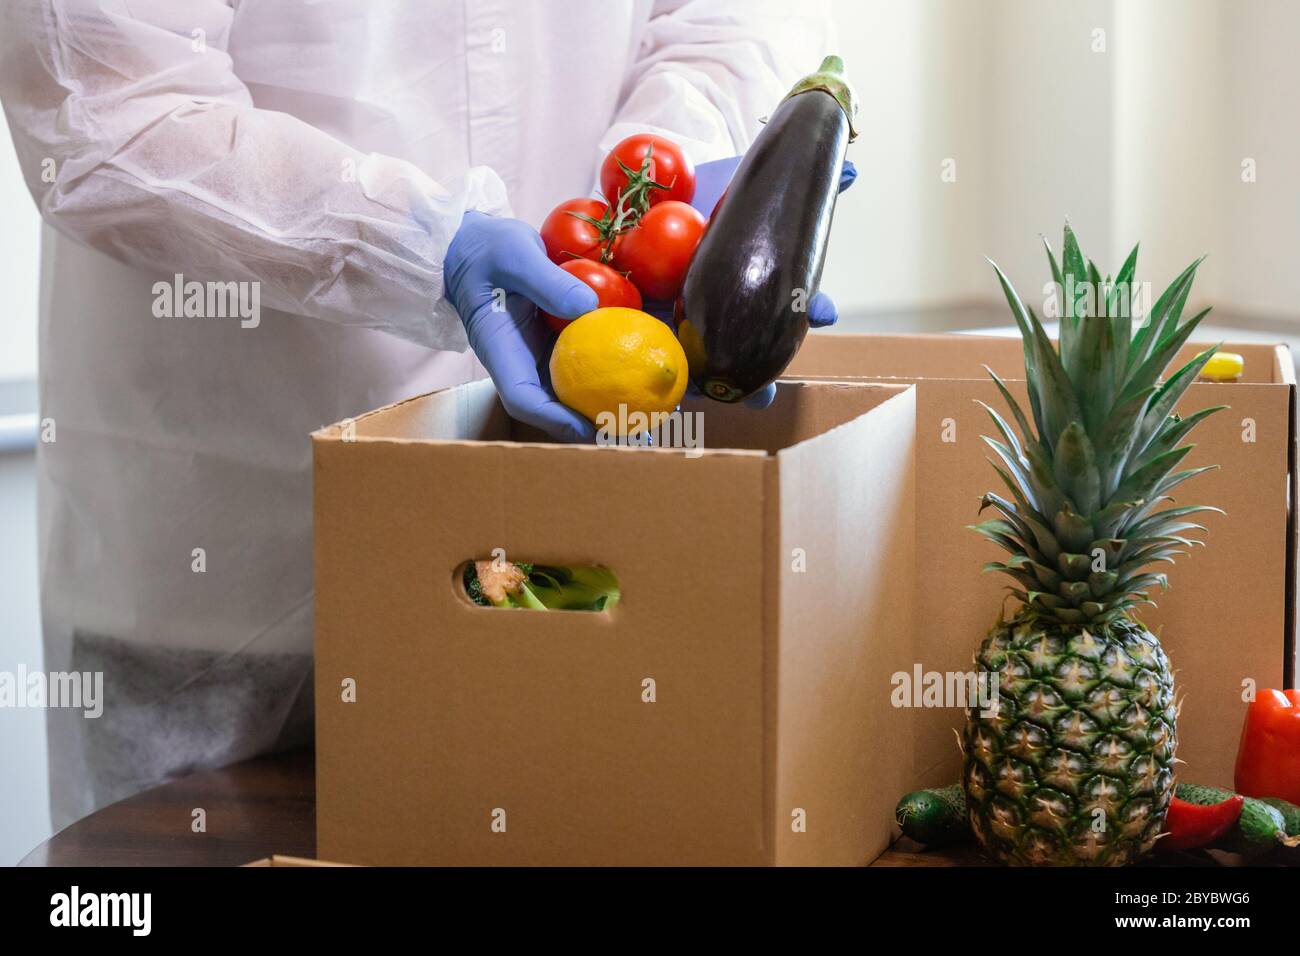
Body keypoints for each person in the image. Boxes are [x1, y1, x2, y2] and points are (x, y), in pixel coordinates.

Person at [0, 0, 853, 828]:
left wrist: (685, 190)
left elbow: (736, 16)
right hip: (220, 547)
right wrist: (413, 242)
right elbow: (106, 112)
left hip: (569, 521)